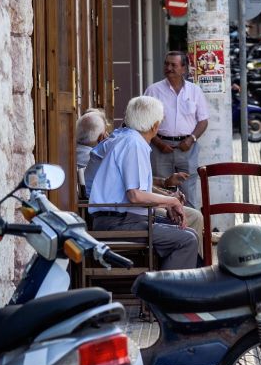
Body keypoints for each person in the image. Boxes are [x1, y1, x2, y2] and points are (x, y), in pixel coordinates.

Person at [88, 96, 198, 270]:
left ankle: (168, 286)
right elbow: (135, 195)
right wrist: (172, 201)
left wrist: (166, 202)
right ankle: (166, 293)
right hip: (118, 223)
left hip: (120, 219)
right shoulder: (133, 143)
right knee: (186, 240)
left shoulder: (126, 137)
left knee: (187, 233)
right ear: (154, 125)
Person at [85, 129, 206, 257]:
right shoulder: (130, 143)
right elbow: (135, 194)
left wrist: (166, 192)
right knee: (188, 231)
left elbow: (138, 185)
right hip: (121, 217)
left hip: (126, 213)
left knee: (188, 231)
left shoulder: (124, 141)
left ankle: (191, 266)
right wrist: (168, 201)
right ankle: (190, 269)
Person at [144, 51, 209, 207]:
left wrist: (191, 139)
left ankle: (190, 229)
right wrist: (159, 143)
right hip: (160, 147)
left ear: (184, 69)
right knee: (161, 192)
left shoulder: (195, 91)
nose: (169, 68)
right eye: (167, 64)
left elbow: (203, 121)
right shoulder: (153, 90)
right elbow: (144, 121)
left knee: (188, 193)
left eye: (174, 65)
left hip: (187, 148)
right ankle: (166, 228)